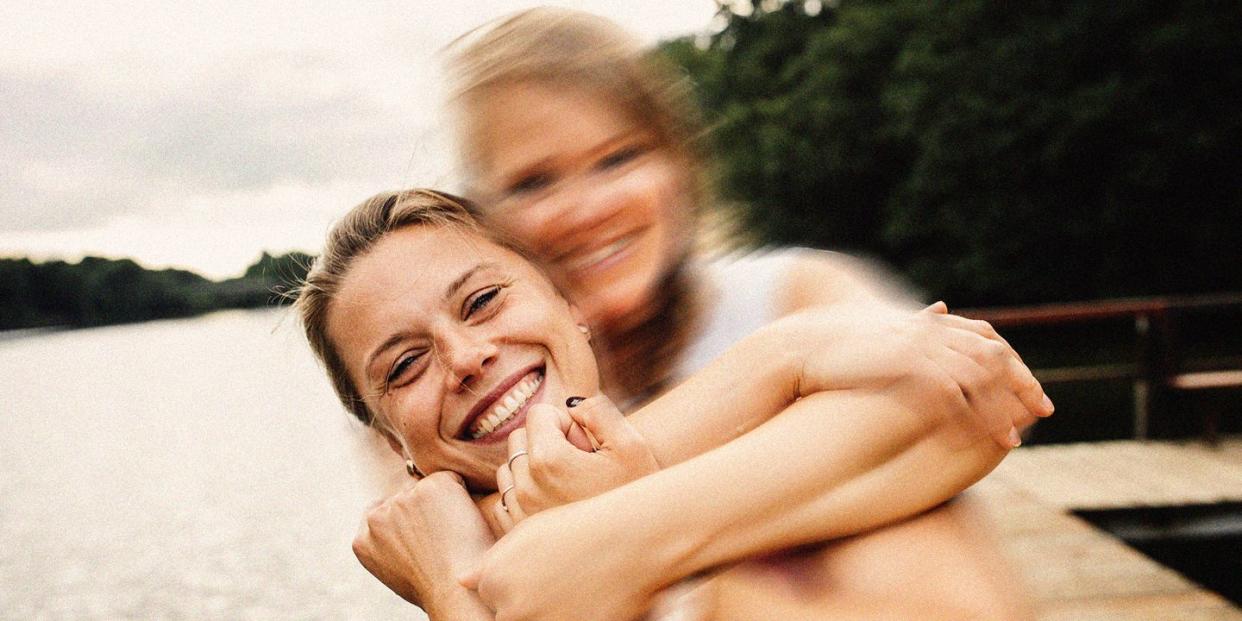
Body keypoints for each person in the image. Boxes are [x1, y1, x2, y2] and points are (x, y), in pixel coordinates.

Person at [299, 189, 1047, 620]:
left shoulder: (756, 424)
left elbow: (973, 396)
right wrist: (450, 591)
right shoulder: (455, 559)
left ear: (570, 305)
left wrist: (777, 355)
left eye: (485, 300)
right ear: (392, 443)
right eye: (405, 364)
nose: (466, 358)